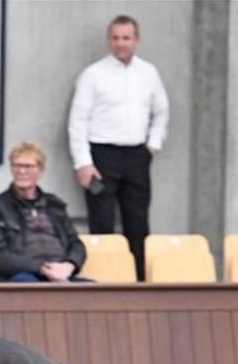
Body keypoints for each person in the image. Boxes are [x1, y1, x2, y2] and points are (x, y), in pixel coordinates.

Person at [68, 15, 169, 280]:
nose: (120, 43)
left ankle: (138, 281)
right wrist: (83, 163)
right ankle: (103, 280)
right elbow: (78, 120)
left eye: (126, 38)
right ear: (108, 40)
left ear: (137, 40)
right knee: (102, 223)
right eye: (115, 38)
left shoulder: (149, 73)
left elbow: (162, 112)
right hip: (101, 156)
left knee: (138, 222)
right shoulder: (93, 74)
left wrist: (153, 146)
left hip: (137, 155)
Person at [0, 141, 90, 283]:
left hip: (60, 272)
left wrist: (70, 265)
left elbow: (76, 243)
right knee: (28, 285)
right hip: (19, 275)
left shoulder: (54, 204)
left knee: (98, 291)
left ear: (40, 169)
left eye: (28, 166)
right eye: (16, 166)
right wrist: (42, 268)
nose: (21, 171)